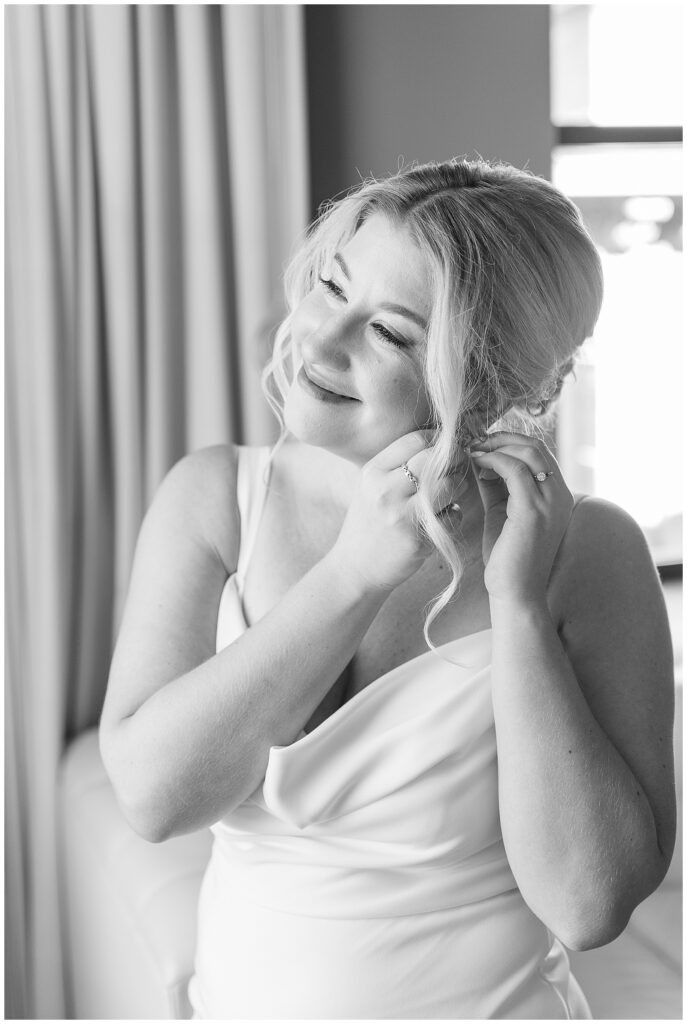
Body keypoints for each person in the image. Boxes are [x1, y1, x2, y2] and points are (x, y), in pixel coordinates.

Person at [99, 158, 676, 1019]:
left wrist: (515, 605)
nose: (322, 341)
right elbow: (154, 800)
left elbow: (586, 905)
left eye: (393, 333)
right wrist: (353, 574)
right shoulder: (214, 497)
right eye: (332, 287)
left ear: (497, 382)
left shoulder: (589, 550)